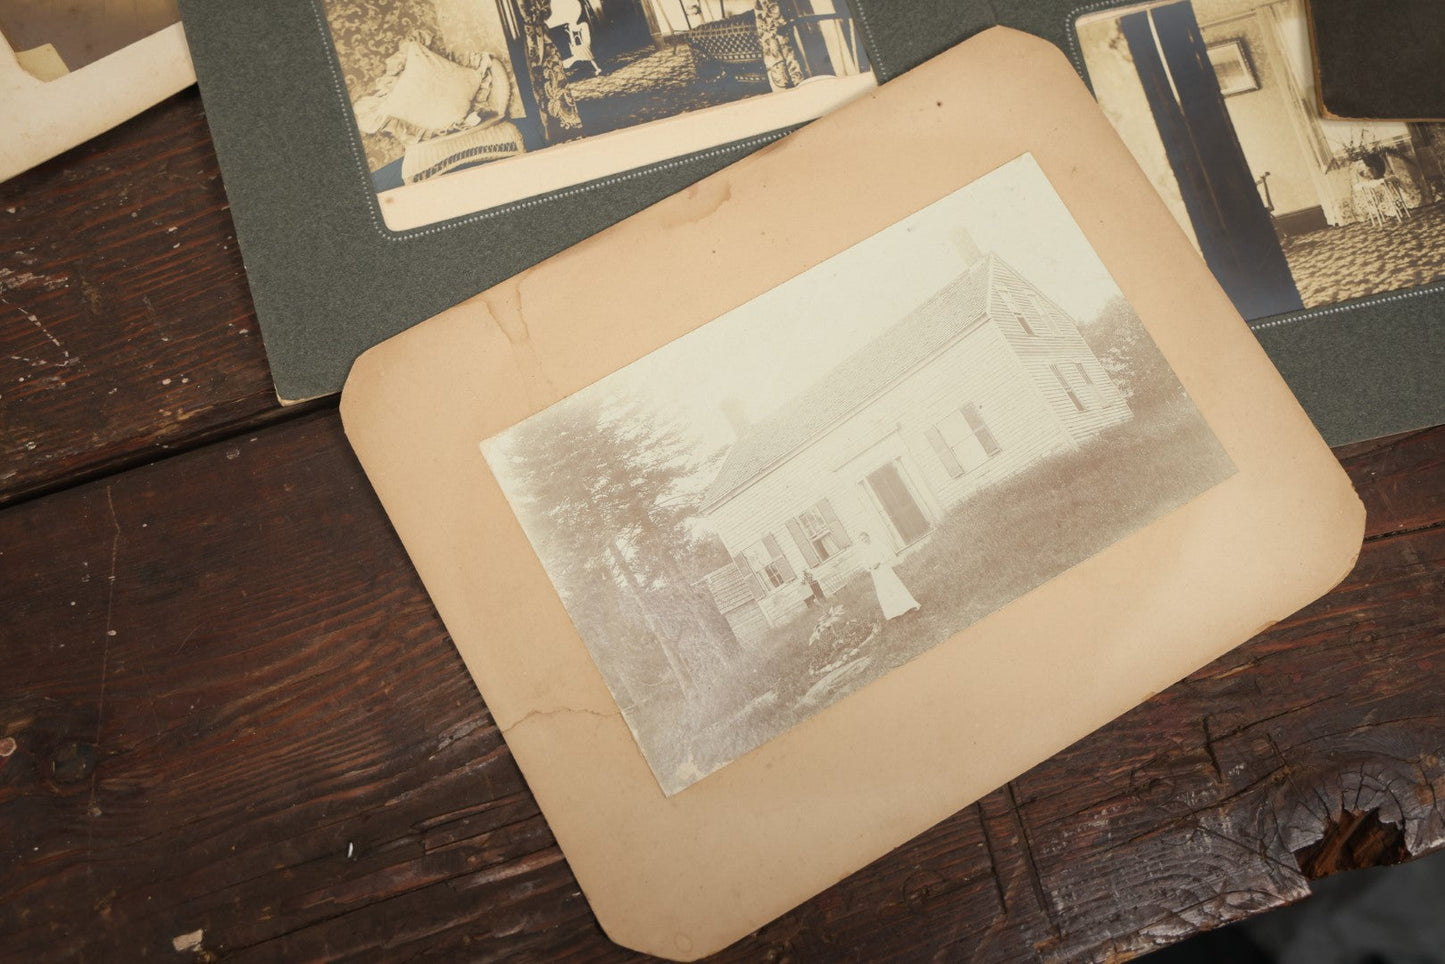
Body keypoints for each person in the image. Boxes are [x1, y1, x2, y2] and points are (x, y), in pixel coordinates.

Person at [857, 531, 920, 619]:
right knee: (884, 592)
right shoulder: (863, 551)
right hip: (876, 574)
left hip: (884, 569)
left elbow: (889, 554)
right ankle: (894, 612)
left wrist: (879, 562)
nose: (864, 540)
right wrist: (870, 567)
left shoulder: (877, 544)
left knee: (894, 587)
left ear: (868, 536)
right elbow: (864, 564)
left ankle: (908, 606)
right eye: (862, 540)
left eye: (865, 538)